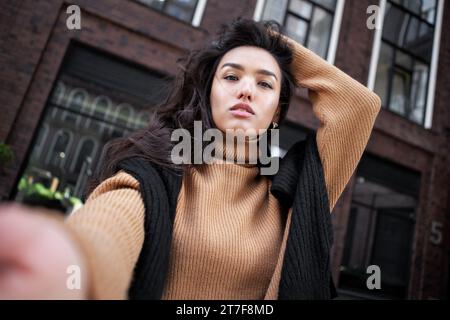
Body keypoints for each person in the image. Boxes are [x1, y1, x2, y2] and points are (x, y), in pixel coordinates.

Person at [0, 18, 381, 300]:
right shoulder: (159, 168)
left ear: (278, 112)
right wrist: (74, 266)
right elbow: (110, 226)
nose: (247, 90)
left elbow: (360, 106)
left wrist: (264, 42)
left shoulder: (300, 186)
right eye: (230, 77)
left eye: (265, 83)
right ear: (208, 92)